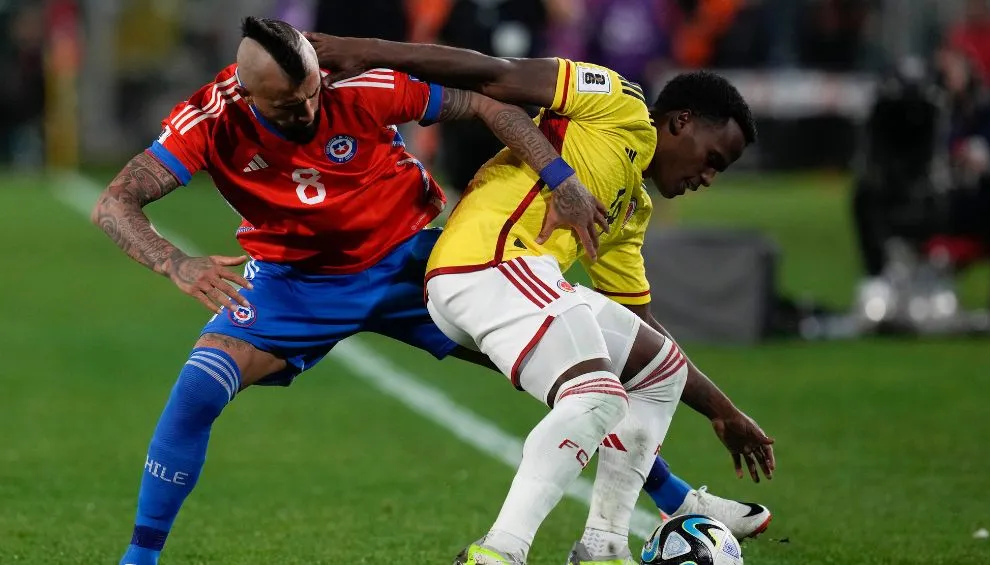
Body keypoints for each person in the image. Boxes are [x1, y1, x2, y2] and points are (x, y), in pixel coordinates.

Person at [92, 17, 607, 565]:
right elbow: (114, 203)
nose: (308, 112)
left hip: (414, 262)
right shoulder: (213, 116)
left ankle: (656, 507)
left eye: (311, 95)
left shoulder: (354, 83)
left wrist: (560, 178)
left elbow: (485, 102)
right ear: (248, 96)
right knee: (197, 391)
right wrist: (176, 262)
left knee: (568, 370)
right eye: (288, 108)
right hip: (295, 282)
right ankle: (139, 560)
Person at [308, 35, 774, 565]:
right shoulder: (618, 103)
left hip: (517, 279)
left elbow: (640, 328)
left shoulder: (631, 209)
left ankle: (605, 547)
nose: (708, 178)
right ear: (680, 121)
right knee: (596, 397)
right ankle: (499, 552)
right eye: (713, 159)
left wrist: (723, 412)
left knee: (658, 370)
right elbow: (493, 73)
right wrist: (365, 52)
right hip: (486, 262)